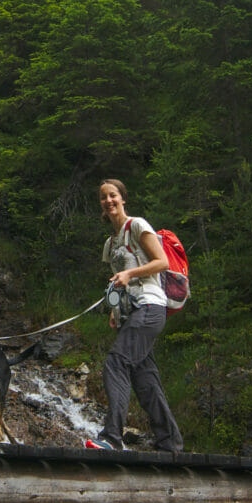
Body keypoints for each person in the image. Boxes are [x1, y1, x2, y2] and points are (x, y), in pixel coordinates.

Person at [86, 179, 184, 453]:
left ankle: (112, 437)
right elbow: (117, 282)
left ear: (123, 198)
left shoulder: (137, 225)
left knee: (116, 363)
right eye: (103, 197)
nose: (108, 200)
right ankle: (170, 442)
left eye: (113, 195)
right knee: (145, 380)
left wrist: (129, 273)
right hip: (130, 315)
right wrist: (115, 311)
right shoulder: (110, 243)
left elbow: (161, 262)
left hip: (151, 307)